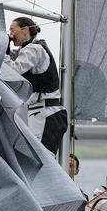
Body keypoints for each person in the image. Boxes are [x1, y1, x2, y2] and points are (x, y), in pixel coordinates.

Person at [4, 17, 67, 155]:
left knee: (43, 159)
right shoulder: (29, 49)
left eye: (12, 30)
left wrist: (4, 49)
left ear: (25, 30)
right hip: (41, 113)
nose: (11, 35)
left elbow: (12, 70)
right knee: (39, 158)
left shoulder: (34, 49)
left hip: (46, 113)